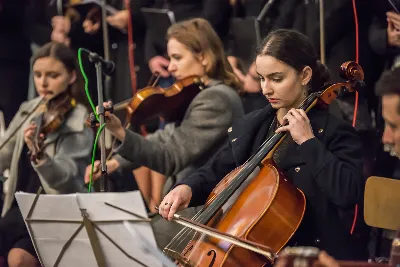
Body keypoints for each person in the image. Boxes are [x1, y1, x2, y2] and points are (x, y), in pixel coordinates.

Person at [159, 29, 367, 260]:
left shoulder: (334, 132)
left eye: (276, 79)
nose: (266, 89)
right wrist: (188, 187)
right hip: (261, 255)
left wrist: (308, 142)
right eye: (261, 78)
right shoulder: (253, 126)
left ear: (305, 75)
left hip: (311, 257)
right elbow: (216, 170)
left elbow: (349, 193)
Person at [85, 18, 244, 246]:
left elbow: (170, 157)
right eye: (170, 58)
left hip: (201, 213)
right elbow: (164, 138)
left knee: (119, 244)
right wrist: (116, 163)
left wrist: (120, 132)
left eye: (177, 58)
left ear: (204, 57)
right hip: (183, 208)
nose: (170, 67)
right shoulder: (196, 94)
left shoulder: (216, 98)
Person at [0, 42, 93, 267]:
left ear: (71, 77)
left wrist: (38, 154)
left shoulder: (79, 118)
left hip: (52, 211)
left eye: (53, 75)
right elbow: (4, 154)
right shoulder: (28, 108)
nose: (43, 82)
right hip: (17, 207)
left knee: (19, 259)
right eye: (38, 74)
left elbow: (66, 180)